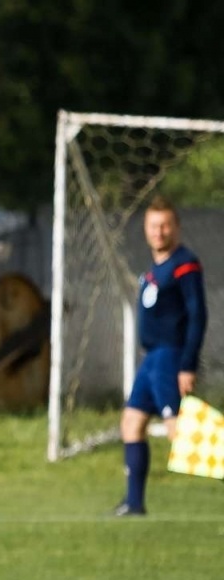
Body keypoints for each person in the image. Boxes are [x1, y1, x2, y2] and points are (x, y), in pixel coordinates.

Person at [116, 195, 208, 516]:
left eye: (165, 225)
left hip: (170, 356)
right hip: (152, 358)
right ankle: (134, 503)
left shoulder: (185, 265)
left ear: (176, 227)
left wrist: (187, 365)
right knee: (131, 422)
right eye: (154, 226)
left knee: (178, 430)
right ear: (146, 229)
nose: (159, 232)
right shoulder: (155, 270)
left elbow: (197, 315)